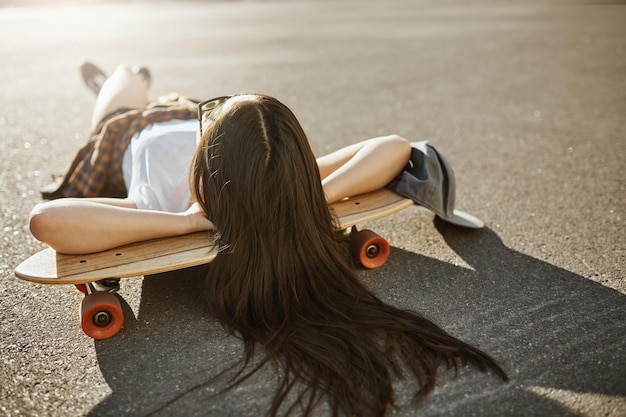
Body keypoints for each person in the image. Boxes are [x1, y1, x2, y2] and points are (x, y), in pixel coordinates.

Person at [29, 62, 507, 417]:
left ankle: (120, 77)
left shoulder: (170, 202)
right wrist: (306, 196)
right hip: (212, 119)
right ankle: (127, 77)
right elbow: (393, 148)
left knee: (121, 97)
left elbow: (46, 222)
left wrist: (193, 222)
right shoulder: (264, 174)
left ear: (206, 170)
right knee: (155, 90)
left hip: (138, 127)